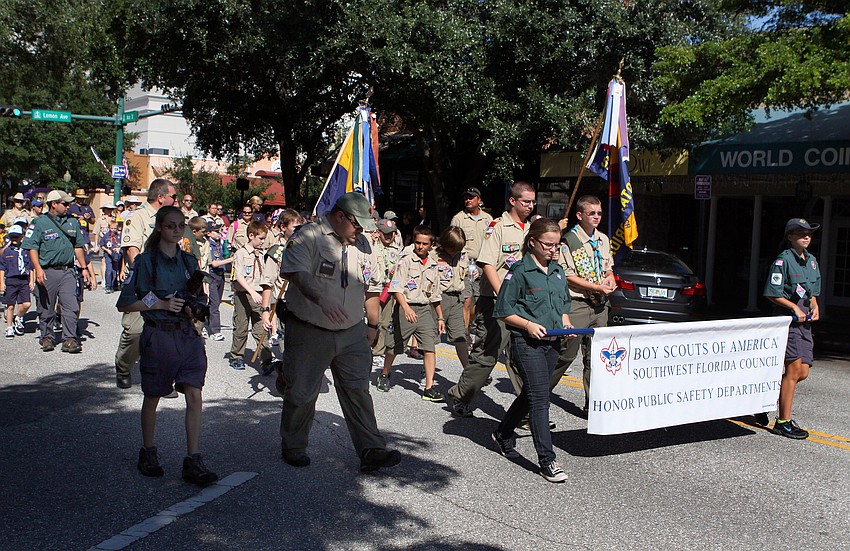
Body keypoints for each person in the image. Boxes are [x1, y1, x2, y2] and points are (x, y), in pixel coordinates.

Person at [278, 192, 401, 473]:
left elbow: (370, 287)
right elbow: (297, 273)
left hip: (352, 332)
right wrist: (321, 298)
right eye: (357, 225)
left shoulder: (364, 243)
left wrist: (372, 326)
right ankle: (294, 445)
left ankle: (371, 449)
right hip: (310, 330)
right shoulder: (309, 236)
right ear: (340, 216)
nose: (361, 231)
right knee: (303, 392)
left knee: (358, 390)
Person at [116, 205, 218, 485]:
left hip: (187, 336)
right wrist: (159, 303)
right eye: (171, 225)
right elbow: (125, 302)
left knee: (195, 394)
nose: (176, 230)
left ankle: (193, 459)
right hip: (158, 334)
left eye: (180, 225)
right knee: (153, 396)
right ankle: (148, 452)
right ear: (160, 227)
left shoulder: (189, 261)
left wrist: (193, 309)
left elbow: (197, 298)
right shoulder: (146, 261)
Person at [491, 218, 573, 483]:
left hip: (552, 343)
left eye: (557, 244)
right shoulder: (519, 272)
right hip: (527, 344)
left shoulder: (558, 271)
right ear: (533, 242)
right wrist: (527, 325)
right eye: (548, 245)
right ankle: (547, 461)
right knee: (540, 399)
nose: (553, 249)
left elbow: (563, 304)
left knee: (531, 394)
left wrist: (566, 321)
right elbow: (503, 310)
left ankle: (503, 434)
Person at [447, 181, 535, 417]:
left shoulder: (531, 229)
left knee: (522, 357)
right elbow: (487, 263)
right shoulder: (496, 226)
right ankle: (460, 395)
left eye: (533, 202)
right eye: (526, 201)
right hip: (496, 300)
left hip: (523, 302)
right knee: (487, 354)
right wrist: (503, 295)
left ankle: (526, 412)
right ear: (513, 201)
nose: (530, 206)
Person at [761, 218, 821, 439]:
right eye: (800, 233)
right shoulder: (783, 261)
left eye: (809, 233)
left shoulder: (812, 261)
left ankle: (763, 398)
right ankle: (783, 422)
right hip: (788, 322)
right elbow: (772, 292)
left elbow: (812, 290)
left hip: (805, 323)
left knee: (802, 372)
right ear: (790, 237)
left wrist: (815, 305)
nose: (806, 236)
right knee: (794, 370)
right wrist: (793, 307)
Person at [114, 179, 177, 389]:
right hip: (143, 285)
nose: (175, 201)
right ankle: (123, 367)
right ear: (161, 197)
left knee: (165, 332)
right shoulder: (138, 217)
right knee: (134, 331)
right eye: (173, 197)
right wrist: (146, 278)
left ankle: (162, 380)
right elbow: (132, 250)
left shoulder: (171, 221)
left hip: (166, 284)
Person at [555, 195, 615, 411]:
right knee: (566, 355)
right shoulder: (569, 240)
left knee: (596, 358)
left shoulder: (603, 239)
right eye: (592, 213)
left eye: (599, 213)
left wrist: (610, 278)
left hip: (599, 305)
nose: (597, 217)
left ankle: (594, 406)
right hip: (578, 303)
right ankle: (536, 397)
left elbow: (608, 266)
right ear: (580, 215)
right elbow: (567, 275)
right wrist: (596, 287)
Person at [377, 225, 445, 401]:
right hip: (405, 307)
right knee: (394, 345)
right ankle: (385, 374)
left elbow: (435, 294)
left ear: (431, 245)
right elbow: (396, 287)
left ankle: (429, 387)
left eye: (424, 244)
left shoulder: (433, 265)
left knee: (429, 347)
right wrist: (405, 308)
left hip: (424, 310)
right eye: (417, 242)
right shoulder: (406, 260)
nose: (420, 246)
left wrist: (440, 316)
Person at [21, 190, 90, 353]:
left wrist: (85, 268)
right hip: (47, 271)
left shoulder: (72, 223)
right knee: (46, 307)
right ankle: (47, 337)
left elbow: (78, 246)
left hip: (67, 271)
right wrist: (37, 269)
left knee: (70, 305)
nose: (68, 206)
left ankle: (69, 339)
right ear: (53, 204)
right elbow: (32, 248)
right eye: (65, 204)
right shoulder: (39, 222)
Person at [260, 210, 304, 373]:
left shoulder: (305, 250)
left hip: (304, 305)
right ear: (283, 227)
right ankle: (288, 376)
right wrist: (265, 311)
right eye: (295, 227)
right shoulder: (276, 252)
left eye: (301, 227)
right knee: (288, 347)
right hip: (285, 305)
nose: (299, 231)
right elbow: (267, 283)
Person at [228, 220, 271, 371]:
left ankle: (266, 361)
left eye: (264, 239)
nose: (263, 242)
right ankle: (236, 356)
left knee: (261, 328)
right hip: (243, 294)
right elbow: (238, 276)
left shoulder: (263, 255)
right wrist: (251, 291)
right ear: (251, 235)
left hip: (259, 296)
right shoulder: (240, 253)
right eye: (260, 238)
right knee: (241, 326)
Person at [450, 187, 493, 333]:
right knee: (466, 300)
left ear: (479, 200)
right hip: (465, 263)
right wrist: (463, 265)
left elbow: (493, 241)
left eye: (471, 197)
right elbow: (453, 243)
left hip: (484, 264)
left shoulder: (488, 219)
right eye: (466, 198)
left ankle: (473, 323)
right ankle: (464, 332)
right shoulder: (459, 218)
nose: (468, 200)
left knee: (480, 299)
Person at [435, 226, 471, 368]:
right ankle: (428, 371)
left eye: (458, 249)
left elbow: (465, 274)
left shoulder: (463, 254)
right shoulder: (433, 255)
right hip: (438, 300)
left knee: (460, 336)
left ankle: (469, 372)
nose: (455, 252)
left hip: (456, 299)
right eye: (452, 249)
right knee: (431, 338)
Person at [369, 218, 402, 368]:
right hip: (373, 288)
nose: (388, 237)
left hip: (388, 289)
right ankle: (367, 345)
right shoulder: (372, 246)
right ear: (378, 232)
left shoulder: (397, 250)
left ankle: (378, 351)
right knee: (371, 320)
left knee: (385, 322)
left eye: (391, 234)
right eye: (385, 233)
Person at [0, 224, 35, 337]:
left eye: (17, 236)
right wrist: (1, 282)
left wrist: (31, 281)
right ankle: (9, 327)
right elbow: (2, 268)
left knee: (26, 304)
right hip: (11, 280)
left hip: (23, 280)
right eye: (12, 237)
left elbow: (31, 267)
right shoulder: (7, 252)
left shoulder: (25, 251)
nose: (14, 239)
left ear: (22, 237)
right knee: (10, 306)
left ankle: (18, 317)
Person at [203, 221, 233, 342]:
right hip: (212, 275)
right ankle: (215, 330)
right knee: (214, 303)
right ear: (209, 233)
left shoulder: (218, 244)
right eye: (216, 231)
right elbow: (213, 263)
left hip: (221, 276)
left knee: (216, 302)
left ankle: (205, 323)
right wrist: (231, 259)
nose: (219, 233)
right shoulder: (208, 245)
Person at [100, 221, 122, 293]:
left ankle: (114, 285)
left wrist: (118, 248)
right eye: (111, 228)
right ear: (109, 228)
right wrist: (107, 250)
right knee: (109, 270)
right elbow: (102, 245)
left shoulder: (119, 236)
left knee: (115, 270)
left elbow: (123, 244)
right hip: (108, 254)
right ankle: (108, 285)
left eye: (114, 228)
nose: (113, 230)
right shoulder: (106, 236)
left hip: (116, 254)